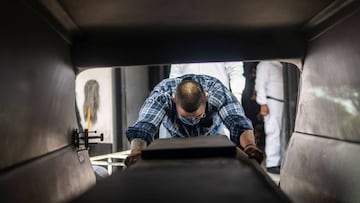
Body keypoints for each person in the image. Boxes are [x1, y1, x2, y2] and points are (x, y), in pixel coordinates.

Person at [125, 74, 263, 166]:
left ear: (206, 97)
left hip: (212, 135)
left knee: (216, 170)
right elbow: (145, 125)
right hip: (173, 136)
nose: (192, 122)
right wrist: (136, 151)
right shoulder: (162, 95)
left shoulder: (217, 92)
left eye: (198, 116)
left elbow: (237, 121)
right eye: (186, 117)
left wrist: (249, 146)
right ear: (174, 99)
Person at [160, 62, 245, 139]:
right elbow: (175, 73)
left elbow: (235, 71)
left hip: (216, 103)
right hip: (185, 102)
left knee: (219, 148)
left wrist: (235, 101)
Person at [255, 61, 285, 174]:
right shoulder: (265, 64)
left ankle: (282, 160)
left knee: (282, 132)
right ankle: (272, 162)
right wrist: (263, 103)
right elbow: (260, 85)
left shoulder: (281, 63)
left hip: (282, 100)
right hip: (271, 101)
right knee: (273, 130)